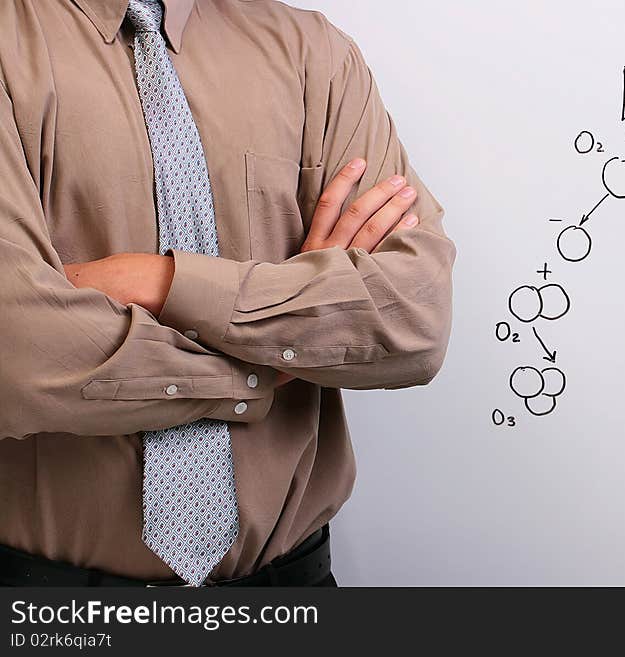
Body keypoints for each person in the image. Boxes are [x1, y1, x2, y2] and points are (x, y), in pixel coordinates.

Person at [0, 0, 454, 587]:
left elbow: (414, 320)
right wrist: (282, 349)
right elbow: (16, 351)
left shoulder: (312, 53)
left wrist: (163, 283)